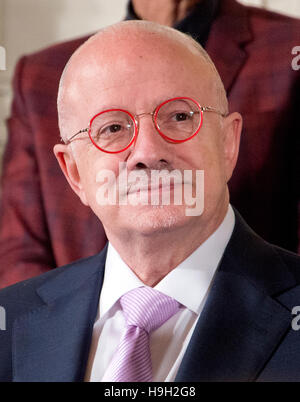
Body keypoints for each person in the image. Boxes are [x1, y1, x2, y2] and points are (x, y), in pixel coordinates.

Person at [1, 21, 300, 383]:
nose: (146, 152)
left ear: (227, 144)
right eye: (113, 128)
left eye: (178, 117)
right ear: (74, 172)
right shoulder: (10, 321)